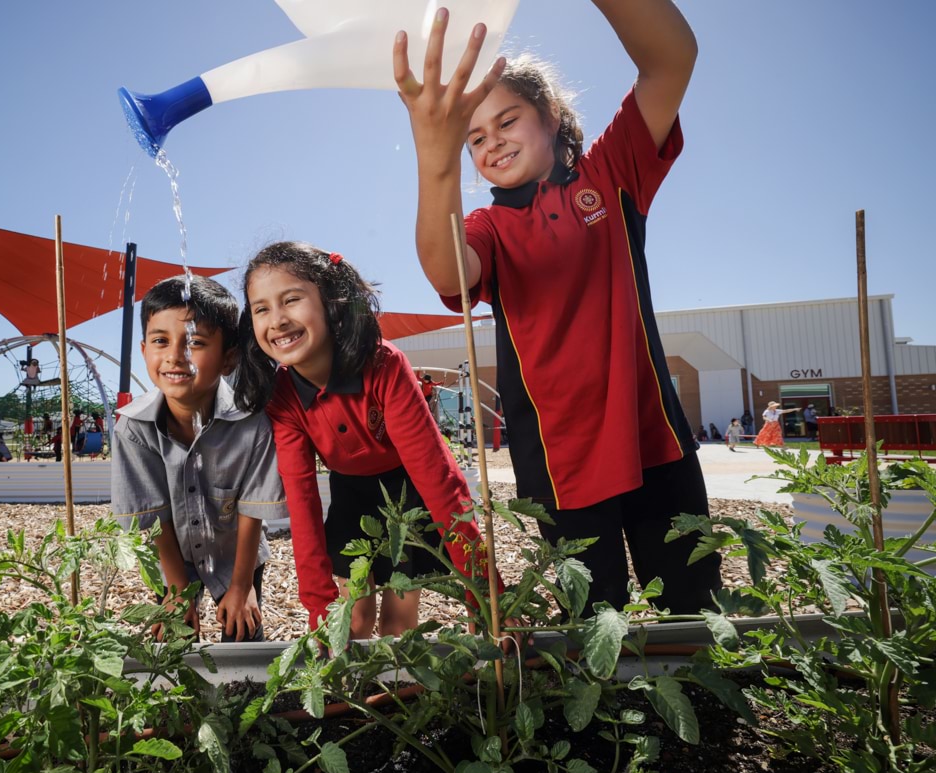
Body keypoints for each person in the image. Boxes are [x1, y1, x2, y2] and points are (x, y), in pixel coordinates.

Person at [391, 1, 721, 614]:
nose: (491, 143)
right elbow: (447, 270)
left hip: (655, 438)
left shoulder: (612, 173)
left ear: (551, 118)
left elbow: (672, 59)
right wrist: (432, 155)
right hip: (558, 462)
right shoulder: (487, 227)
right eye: (473, 138)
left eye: (507, 120)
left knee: (694, 611)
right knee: (594, 631)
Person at [233, 242, 502, 637]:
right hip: (351, 495)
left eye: (291, 300)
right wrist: (318, 608)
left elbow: (437, 478)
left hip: (408, 489)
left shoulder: (384, 364)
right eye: (261, 309)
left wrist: (484, 589)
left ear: (332, 304)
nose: (277, 320)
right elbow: (303, 503)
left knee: (397, 623)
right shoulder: (283, 397)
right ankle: (353, 690)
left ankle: (399, 693)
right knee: (353, 621)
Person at [112, 275, 287, 643]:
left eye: (195, 342)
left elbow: (252, 512)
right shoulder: (133, 428)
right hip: (173, 552)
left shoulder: (252, 424)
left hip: (236, 552)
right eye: (161, 341)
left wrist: (241, 586)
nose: (175, 356)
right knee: (174, 642)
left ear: (229, 358)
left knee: (243, 635)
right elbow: (155, 516)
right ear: (144, 349)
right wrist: (177, 590)